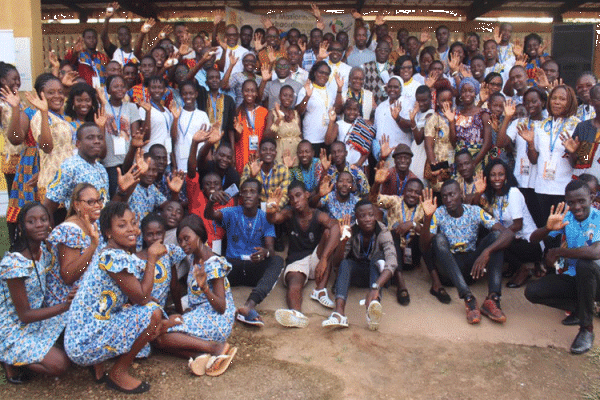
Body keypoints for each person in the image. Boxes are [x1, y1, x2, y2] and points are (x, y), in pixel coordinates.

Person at [64, 202, 170, 394]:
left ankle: (98, 363)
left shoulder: (115, 254)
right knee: (151, 314)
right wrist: (152, 258)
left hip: (85, 331)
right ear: (108, 232)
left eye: (133, 223)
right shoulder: (113, 257)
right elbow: (142, 298)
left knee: (149, 311)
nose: (132, 230)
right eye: (122, 225)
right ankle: (118, 373)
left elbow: (142, 293)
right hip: (83, 341)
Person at [420, 182, 515, 324]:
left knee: (496, 238)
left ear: (461, 194)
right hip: (449, 270)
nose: (448, 199)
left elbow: (507, 234)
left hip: (471, 268)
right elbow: (424, 246)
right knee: (438, 239)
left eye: (452, 194)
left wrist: (487, 251)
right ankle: (468, 299)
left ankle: (493, 299)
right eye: (444, 196)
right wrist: (428, 218)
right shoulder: (438, 213)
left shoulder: (474, 211)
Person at [155, 214, 237, 377]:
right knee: (156, 338)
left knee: (160, 335)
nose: (183, 244)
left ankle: (215, 348)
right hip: (201, 313)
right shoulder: (194, 257)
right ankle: (203, 357)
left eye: (187, 238)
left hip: (217, 318)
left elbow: (221, 307)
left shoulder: (212, 263)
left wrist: (205, 288)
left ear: (199, 234)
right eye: (180, 241)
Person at [0, 202, 74, 383]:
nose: (39, 224)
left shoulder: (44, 252)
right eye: (31, 221)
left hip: (37, 319)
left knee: (77, 323)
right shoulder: (14, 265)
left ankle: (29, 353)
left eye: (43, 219)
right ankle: (9, 359)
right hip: (14, 328)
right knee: (59, 365)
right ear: (21, 227)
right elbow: (24, 315)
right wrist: (64, 306)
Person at [525, 180, 600, 354]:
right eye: (571, 202)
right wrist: (547, 228)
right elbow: (533, 240)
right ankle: (581, 309)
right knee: (532, 292)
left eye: (581, 201)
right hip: (574, 278)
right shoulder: (567, 218)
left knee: (585, 265)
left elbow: (595, 252)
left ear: (592, 197)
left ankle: (586, 329)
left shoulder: (598, 217)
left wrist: (559, 252)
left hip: (596, 280)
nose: (577, 207)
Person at [205, 178, 284, 326]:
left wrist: (265, 253)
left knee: (278, 261)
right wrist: (211, 201)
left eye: (252, 192)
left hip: (254, 267)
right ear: (240, 195)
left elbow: (271, 250)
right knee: (210, 258)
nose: (248, 195)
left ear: (258, 197)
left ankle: (249, 306)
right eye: (245, 192)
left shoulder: (265, 217)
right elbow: (209, 215)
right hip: (232, 267)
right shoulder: (232, 212)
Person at [267, 181, 341, 328]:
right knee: (294, 284)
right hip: (297, 261)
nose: (295, 201)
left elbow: (336, 227)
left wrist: (324, 259)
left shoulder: (318, 215)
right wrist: (271, 209)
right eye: (291, 198)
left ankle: (320, 290)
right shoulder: (289, 213)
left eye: (298, 195)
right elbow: (274, 219)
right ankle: (296, 315)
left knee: (329, 233)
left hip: (316, 259)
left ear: (307, 195)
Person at [322, 201, 396, 330]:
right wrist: (343, 242)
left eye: (371, 215)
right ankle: (339, 313)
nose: (367, 219)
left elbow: (392, 262)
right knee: (346, 263)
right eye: (362, 216)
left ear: (375, 216)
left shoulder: (382, 231)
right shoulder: (352, 230)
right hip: (359, 273)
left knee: (378, 258)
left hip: (377, 277)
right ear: (356, 217)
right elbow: (337, 263)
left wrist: (376, 286)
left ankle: (373, 307)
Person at [519, 85, 580, 225]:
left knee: (562, 230)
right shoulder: (541, 125)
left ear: (570, 101)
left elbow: (577, 163)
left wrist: (572, 152)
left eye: (562, 99)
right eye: (554, 98)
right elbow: (534, 160)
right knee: (545, 228)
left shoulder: (577, 125)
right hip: (542, 187)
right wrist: (530, 144)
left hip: (564, 187)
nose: (557, 102)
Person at [481, 159, 541, 288]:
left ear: (507, 176)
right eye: (493, 175)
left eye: (501, 174)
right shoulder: (490, 195)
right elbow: (474, 206)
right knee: (489, 233)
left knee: (497, 239)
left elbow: (517, 225)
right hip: (511, 239)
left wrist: (501, 235)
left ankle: (523, 269)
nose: (497, 178)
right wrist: (477, 192)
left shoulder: (513, 193)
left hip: (529, 242)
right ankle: (515, 266)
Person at [497, 87, 547, 227]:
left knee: (540, 222)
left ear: (542, 102)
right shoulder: (519, 123)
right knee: (524, 223)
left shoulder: (549, 124)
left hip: (541, 183)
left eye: (534, 101)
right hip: (521, 181)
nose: (530, 105)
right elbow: (500, 143)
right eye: (526, 102)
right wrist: (507, 117)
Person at [44, 123, 109, 216]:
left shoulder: (101, 168)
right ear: (78, 143)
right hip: (80, 227)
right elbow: (49, 205)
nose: (97, 141)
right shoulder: (70, 167)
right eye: (90, 137)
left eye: (100, 138)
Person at [103, 75, 141, 197]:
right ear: (108, 90)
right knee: (116, 195)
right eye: (115, 86)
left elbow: (135, 135)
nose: (120, 89)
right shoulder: (102, 107)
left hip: (129, 160)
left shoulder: (131, 107)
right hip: (110, 162)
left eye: (122, 86)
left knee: (131, 196)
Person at [296, 61, 343, 155]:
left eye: (326, 74)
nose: (323, 76)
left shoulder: (330, 91)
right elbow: (298, 111)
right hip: (312, 137)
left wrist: (339, 89)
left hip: (327, 138)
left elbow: (337, 110)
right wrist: (307, 96)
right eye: (321, 72)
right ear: (315, 73)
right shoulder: (306, 89)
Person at [448, 77, 493, 172]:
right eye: (464, 91)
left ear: (475, 93)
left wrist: (473, 163)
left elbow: (488, 143)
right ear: (460, 94)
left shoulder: (484, 114)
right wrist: (451, 122)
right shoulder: (456, 114)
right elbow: (453, 142)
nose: (467, 94)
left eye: (470, 91)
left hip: (478, 159)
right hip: (460, 161)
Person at [170, 81, 210, 172]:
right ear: (181, 95)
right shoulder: (176, 113)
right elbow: (173, 138)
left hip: (197, 161)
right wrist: (176, 119)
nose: (188, 96)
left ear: (196, 94)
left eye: (191, 93)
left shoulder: (202, 115)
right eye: (185, 94)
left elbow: (207, 140)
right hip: (180, 162)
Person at [241, 137, 290, 208]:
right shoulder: (250, 166)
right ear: (259, 152)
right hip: (256, 207)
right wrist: (252, 177)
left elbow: (285, 195)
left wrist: (271, 207)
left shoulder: (283, 169)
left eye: (272, 150)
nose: (268, 152)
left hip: (275, 206)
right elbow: (243, 190)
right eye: (264, 149)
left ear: (275, 153)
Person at [325, 98, 375, 168]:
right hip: (342, 164)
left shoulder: (364, 125)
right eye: (349, 109)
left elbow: (367, 147)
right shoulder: (339, 124)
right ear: (344, 110)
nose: (352, 112)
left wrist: (359, 163)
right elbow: (328, 141)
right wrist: (331, 121)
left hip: (360, 164)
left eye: (355, 110)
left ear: (358, 111)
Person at [233, 79, 269, 173]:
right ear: (242, 92)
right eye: (246, 90)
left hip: (259, 154)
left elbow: (266, 135)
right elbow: (235, 139)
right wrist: (237, 132)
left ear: (257, 93)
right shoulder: (237, 113)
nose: (250, 94)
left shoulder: (263, 112)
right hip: (242, 154)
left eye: (253, 91)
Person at [424, 87, 454, 193]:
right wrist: (434, 166)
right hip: (439, 163)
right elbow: (428, 146)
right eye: (443, 100)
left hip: (452, 162)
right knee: (441, 193)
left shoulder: (456, 117)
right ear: (437, 102)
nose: (447, 103)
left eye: (449, 100)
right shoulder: (433, 119)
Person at [264, 85, 302, 165]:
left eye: (290, 96)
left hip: (296, 155)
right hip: (280, 154)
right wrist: (279, 119)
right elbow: (267, 136)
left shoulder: (295, 114)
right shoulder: (272, 113)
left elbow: (300, 136)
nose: (288, 98)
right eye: (285, 95)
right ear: (279, 96)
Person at [138, 76, 175, 156]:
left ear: (165, 90)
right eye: (153, 88)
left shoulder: (167, 110)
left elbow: (170, 136)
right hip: (150, 155)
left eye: (160, 88)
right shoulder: (143, 109)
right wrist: (148, 112)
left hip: (165, 156)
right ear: (148, 90)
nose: (157, 90)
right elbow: (145, 137)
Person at [572, 83, 600, 178]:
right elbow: (574, 163)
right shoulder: (582, 127)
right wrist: (572, 152)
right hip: (585, 187)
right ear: (591, 102)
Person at [362, 41, 393, 105]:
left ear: (389, 53)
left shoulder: (393, 68)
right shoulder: (366, 67)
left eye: (386, 50)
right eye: (380, 50)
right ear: (375, 51)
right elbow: (362, 87)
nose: (382, 52)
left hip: (387, 106)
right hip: (369, 105)